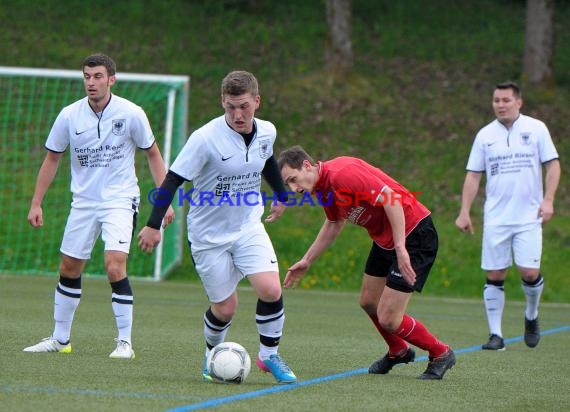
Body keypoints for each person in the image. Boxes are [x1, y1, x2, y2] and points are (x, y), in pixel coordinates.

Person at [137, 70, 297, 384]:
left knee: (271, 288)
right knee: (225, 308)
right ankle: (212, 354)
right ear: (222, 102)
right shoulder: (205, 139)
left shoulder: (267, 131)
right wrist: (153, 225)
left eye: (244, 107)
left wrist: (281, 195)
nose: (238, 114)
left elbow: (265, 158)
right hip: (209, 236)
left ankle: (269, 356)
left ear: (257, 102)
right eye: (230, 107)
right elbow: (173, 179)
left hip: (248, 225)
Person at [23, 53, 175, 359]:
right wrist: (36, 202)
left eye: (97, 76)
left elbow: (154, 155)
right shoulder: (68, 115)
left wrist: (164, 198)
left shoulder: (131, 113)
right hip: (83, 202)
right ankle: (60, 339)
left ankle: (124, 344)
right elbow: (52, 159)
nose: (91, 82)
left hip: (120, 200)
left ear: (111, 79)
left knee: (114, 264)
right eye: (87, 76)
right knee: (68, 267)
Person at [278, 145, 456, 380]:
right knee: (368, 301)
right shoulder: (320, 188)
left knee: (389, 319)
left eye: (293, 179)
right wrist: (307, 260)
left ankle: (441, 353)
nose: (294, 188)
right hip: (385, 240)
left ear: (307, 166)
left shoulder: (343, 173)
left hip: (413, 233)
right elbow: (334, 223)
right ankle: (398, 350)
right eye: (288, 184)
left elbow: (391, 200)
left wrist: (401, 247)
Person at [455, 81, 560, 351]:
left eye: (505, 100)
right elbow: (473, 174)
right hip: (496, 218)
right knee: (495, 274)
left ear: (518, 102)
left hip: (528, 216)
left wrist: (548, 200)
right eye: (496, 100)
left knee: (529, 271)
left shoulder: (536, 129)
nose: (500, 105)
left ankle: (532, 315)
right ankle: (496, 336)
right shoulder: (485, 135)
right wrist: (464, 211)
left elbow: (553, 165)